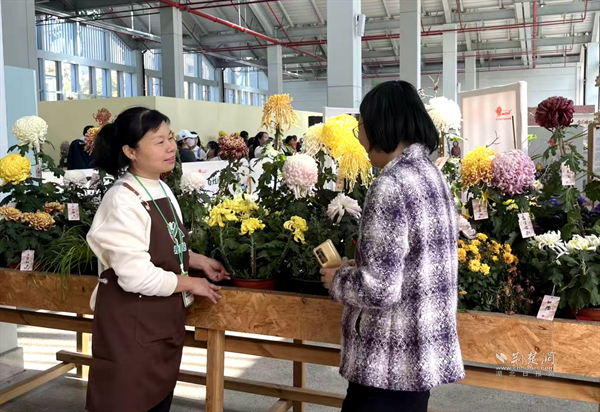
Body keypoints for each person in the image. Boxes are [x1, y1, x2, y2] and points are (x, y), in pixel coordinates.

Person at [319, 81, 465, 412]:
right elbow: (413, 265)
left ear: (383, 125)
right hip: (417, 357)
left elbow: (380, 289)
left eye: (361, 126)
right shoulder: (431, 176)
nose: (360, 136)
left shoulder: (391, 185)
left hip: (386, 362)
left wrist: (338, 279)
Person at [86, 107, 230, 412]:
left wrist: (198, 261)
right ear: (130, 151)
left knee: (158, 401)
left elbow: (163, 247)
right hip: (130, 330)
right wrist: (192, 283)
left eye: (170, 138)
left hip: (159, 326)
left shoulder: (161, 187)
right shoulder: (122, 201)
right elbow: (136, 275)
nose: (170, 148)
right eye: (159, 141)